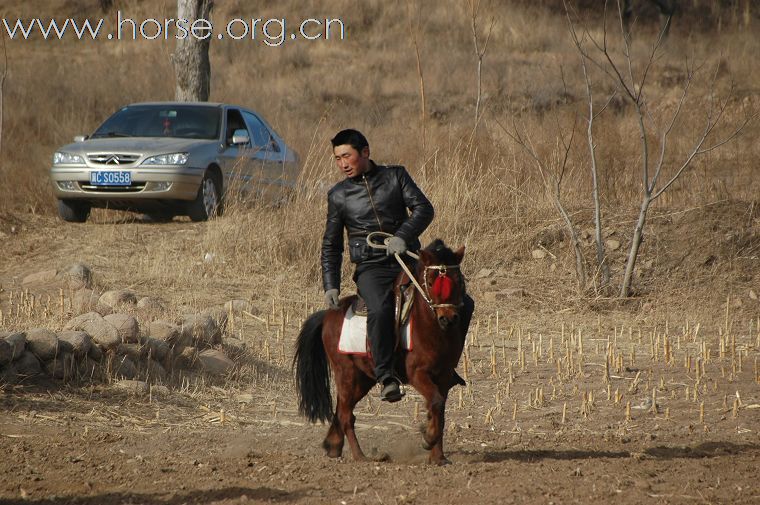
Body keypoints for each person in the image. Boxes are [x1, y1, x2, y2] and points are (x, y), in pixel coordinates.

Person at [321, 129, 434, 402]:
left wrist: (403, 236)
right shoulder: (338, 195)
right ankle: (386, 375)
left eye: (346, 156)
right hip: (372, 267)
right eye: (337, 158)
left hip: (407, 258)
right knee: (382, 307)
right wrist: (330, 285)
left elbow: (424, 208)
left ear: (366, 152)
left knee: (453, 296)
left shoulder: (396, 177)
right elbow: (331, 245)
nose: (342, 164)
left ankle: (443, 363)